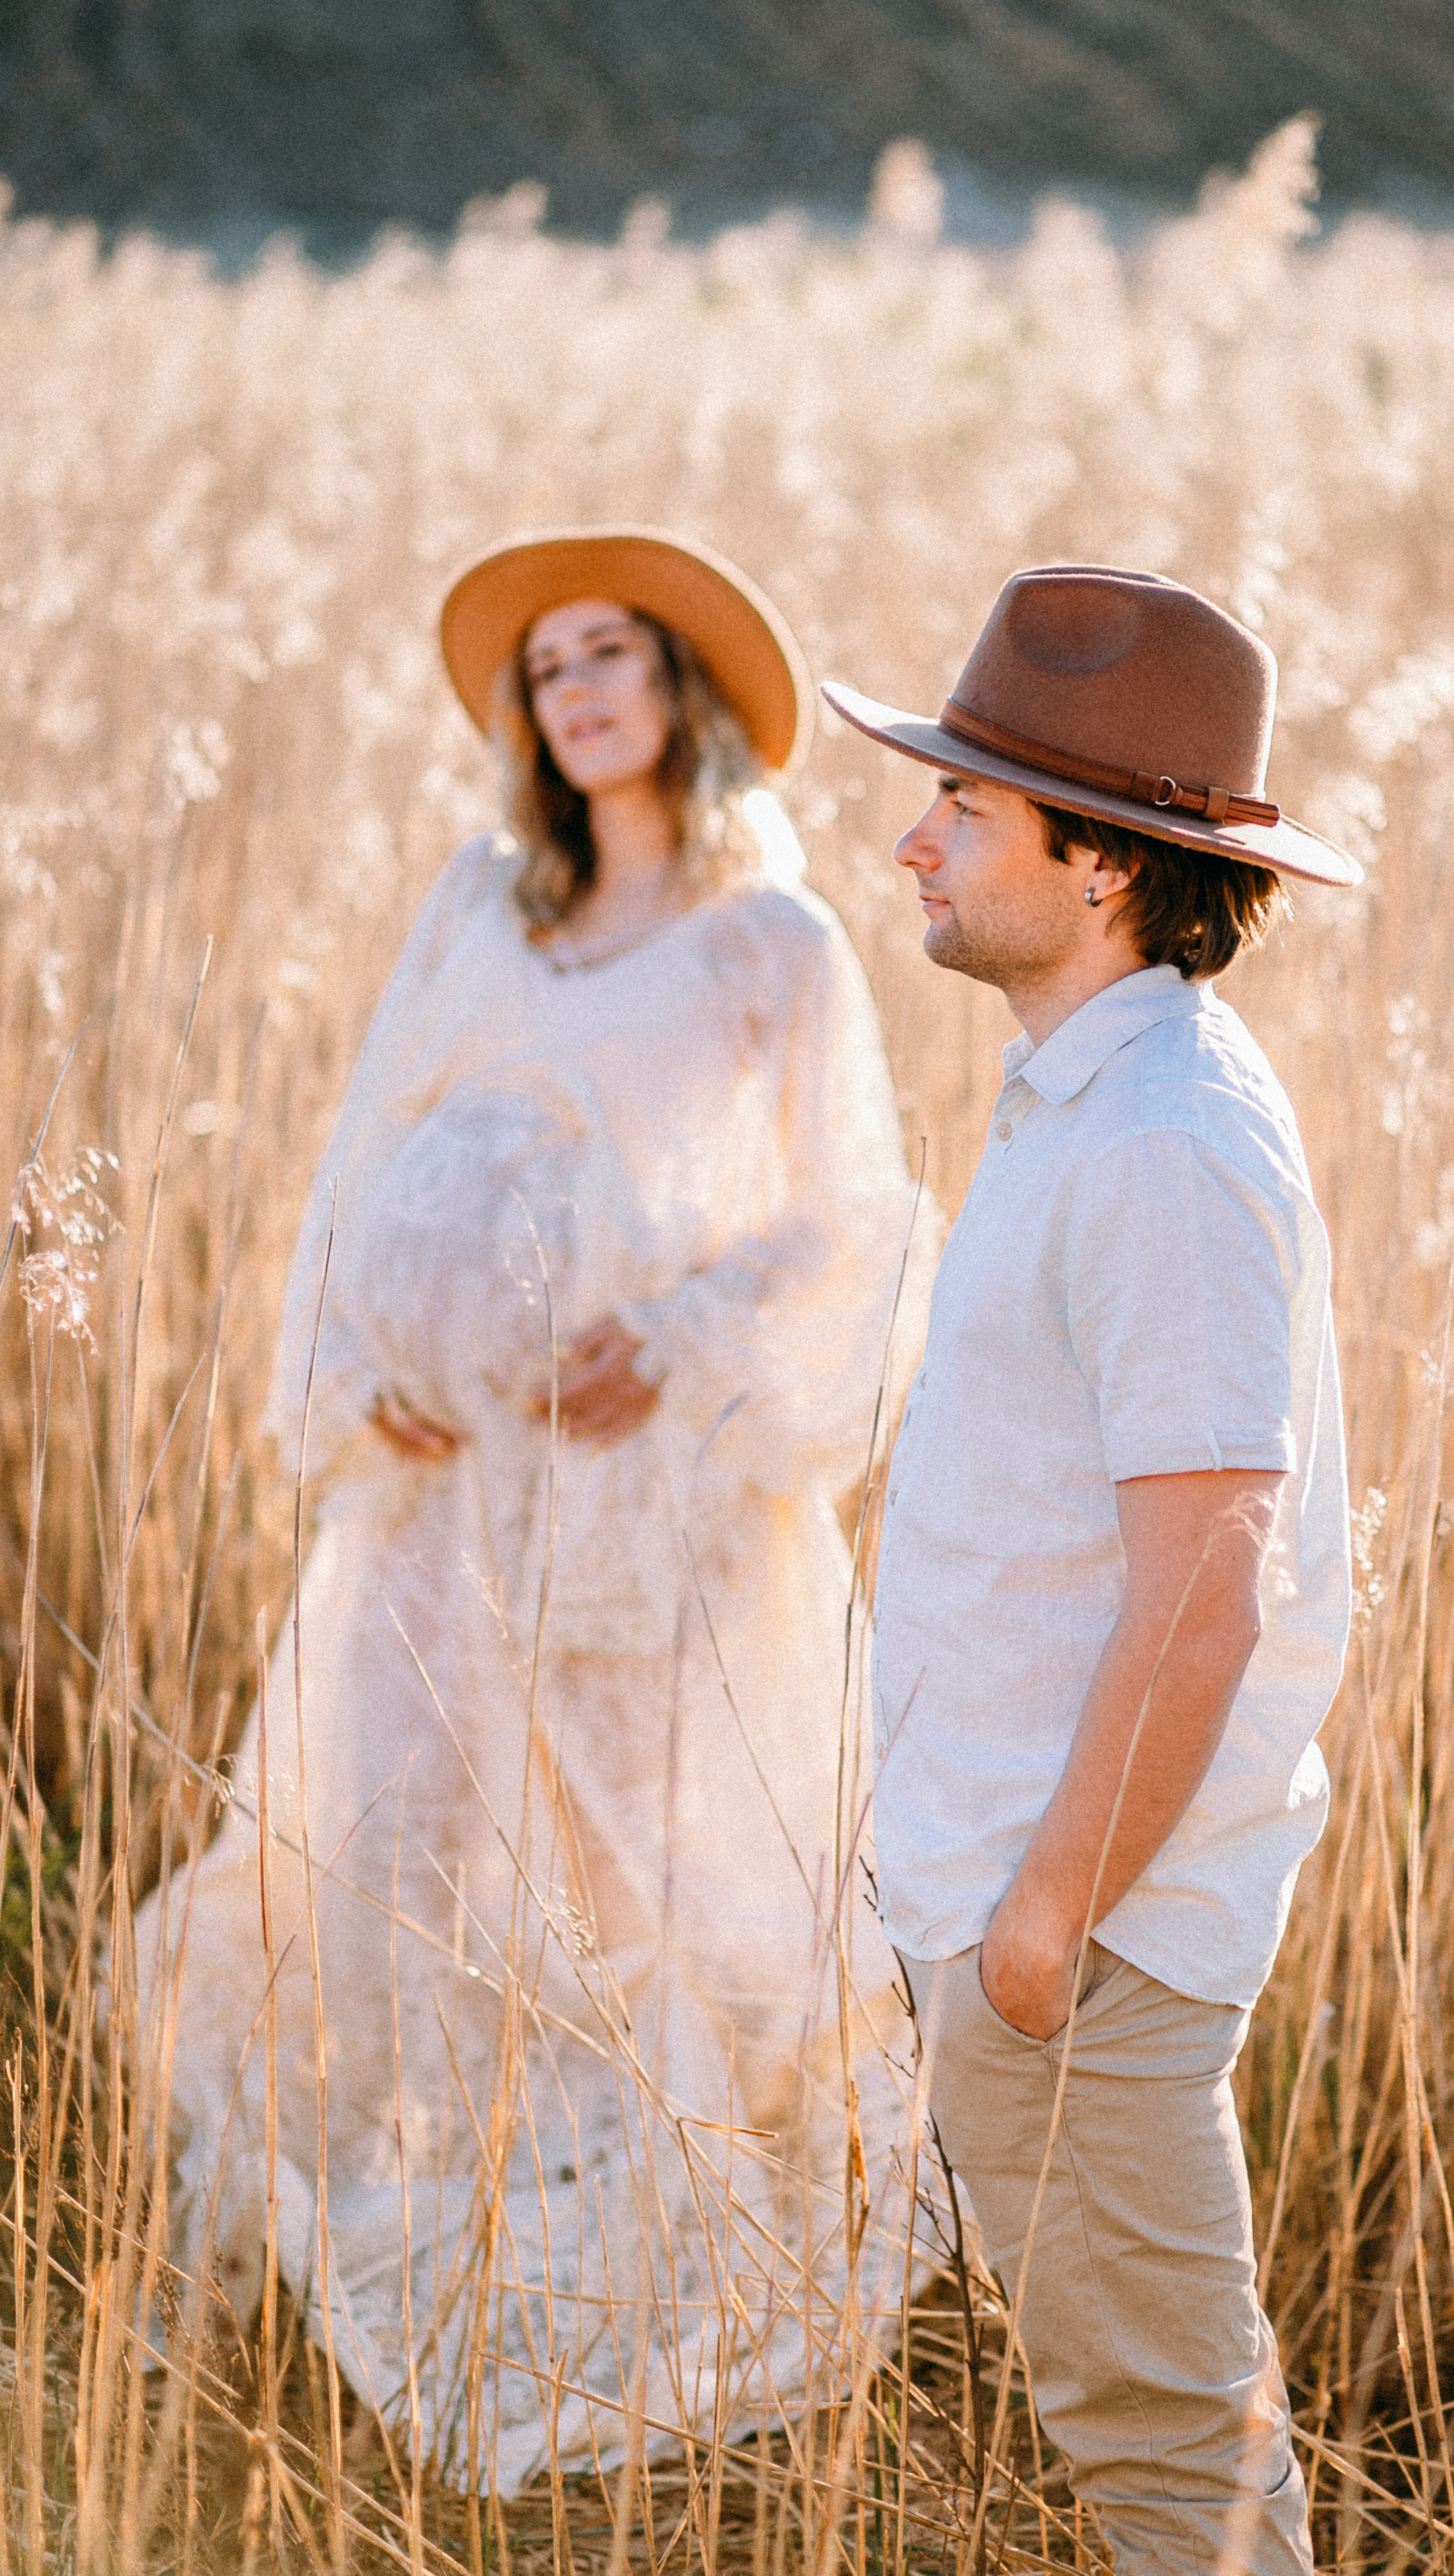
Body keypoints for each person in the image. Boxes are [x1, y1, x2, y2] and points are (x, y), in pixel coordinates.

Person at [132, 529, 935, 2497]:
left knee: (651, 1876)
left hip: (648, 1510)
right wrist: (357, 1357)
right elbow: (364, 1140)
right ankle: (421, 2201)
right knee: (405, 1857)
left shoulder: (777, 942)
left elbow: (856, 1216)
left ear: (682, 692)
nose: (576, 692)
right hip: (432, 1503)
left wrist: (676, 1329)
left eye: (612, 657)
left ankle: (646, 2239)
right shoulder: (479, 903)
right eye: (549, 667)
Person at [823, 566, 1363, 2575]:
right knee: (1143, 2439)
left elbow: (1207, 1577)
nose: (914, 841)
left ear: (1107, 869)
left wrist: (1043, 1928)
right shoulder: (1086, 1097)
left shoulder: (1162, 1137)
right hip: (1031, 1902)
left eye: (963, 813)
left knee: (1172, 2466)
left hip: (1092, 1941)